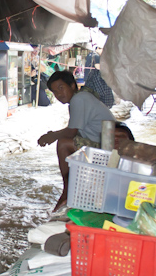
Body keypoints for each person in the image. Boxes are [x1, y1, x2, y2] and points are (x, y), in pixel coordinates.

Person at [38, 70, 115, 211]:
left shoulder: (79, 99)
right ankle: (73, 188)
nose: (59, 94)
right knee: (65, 141)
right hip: (103, 142)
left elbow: (71, 131)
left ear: (72, 85)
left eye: (61, 88)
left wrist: (51, 136)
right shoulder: (80, 98)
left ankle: (67, 190)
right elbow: (74, 130)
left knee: (63, 144)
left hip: (105, 146)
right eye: (55, 92)